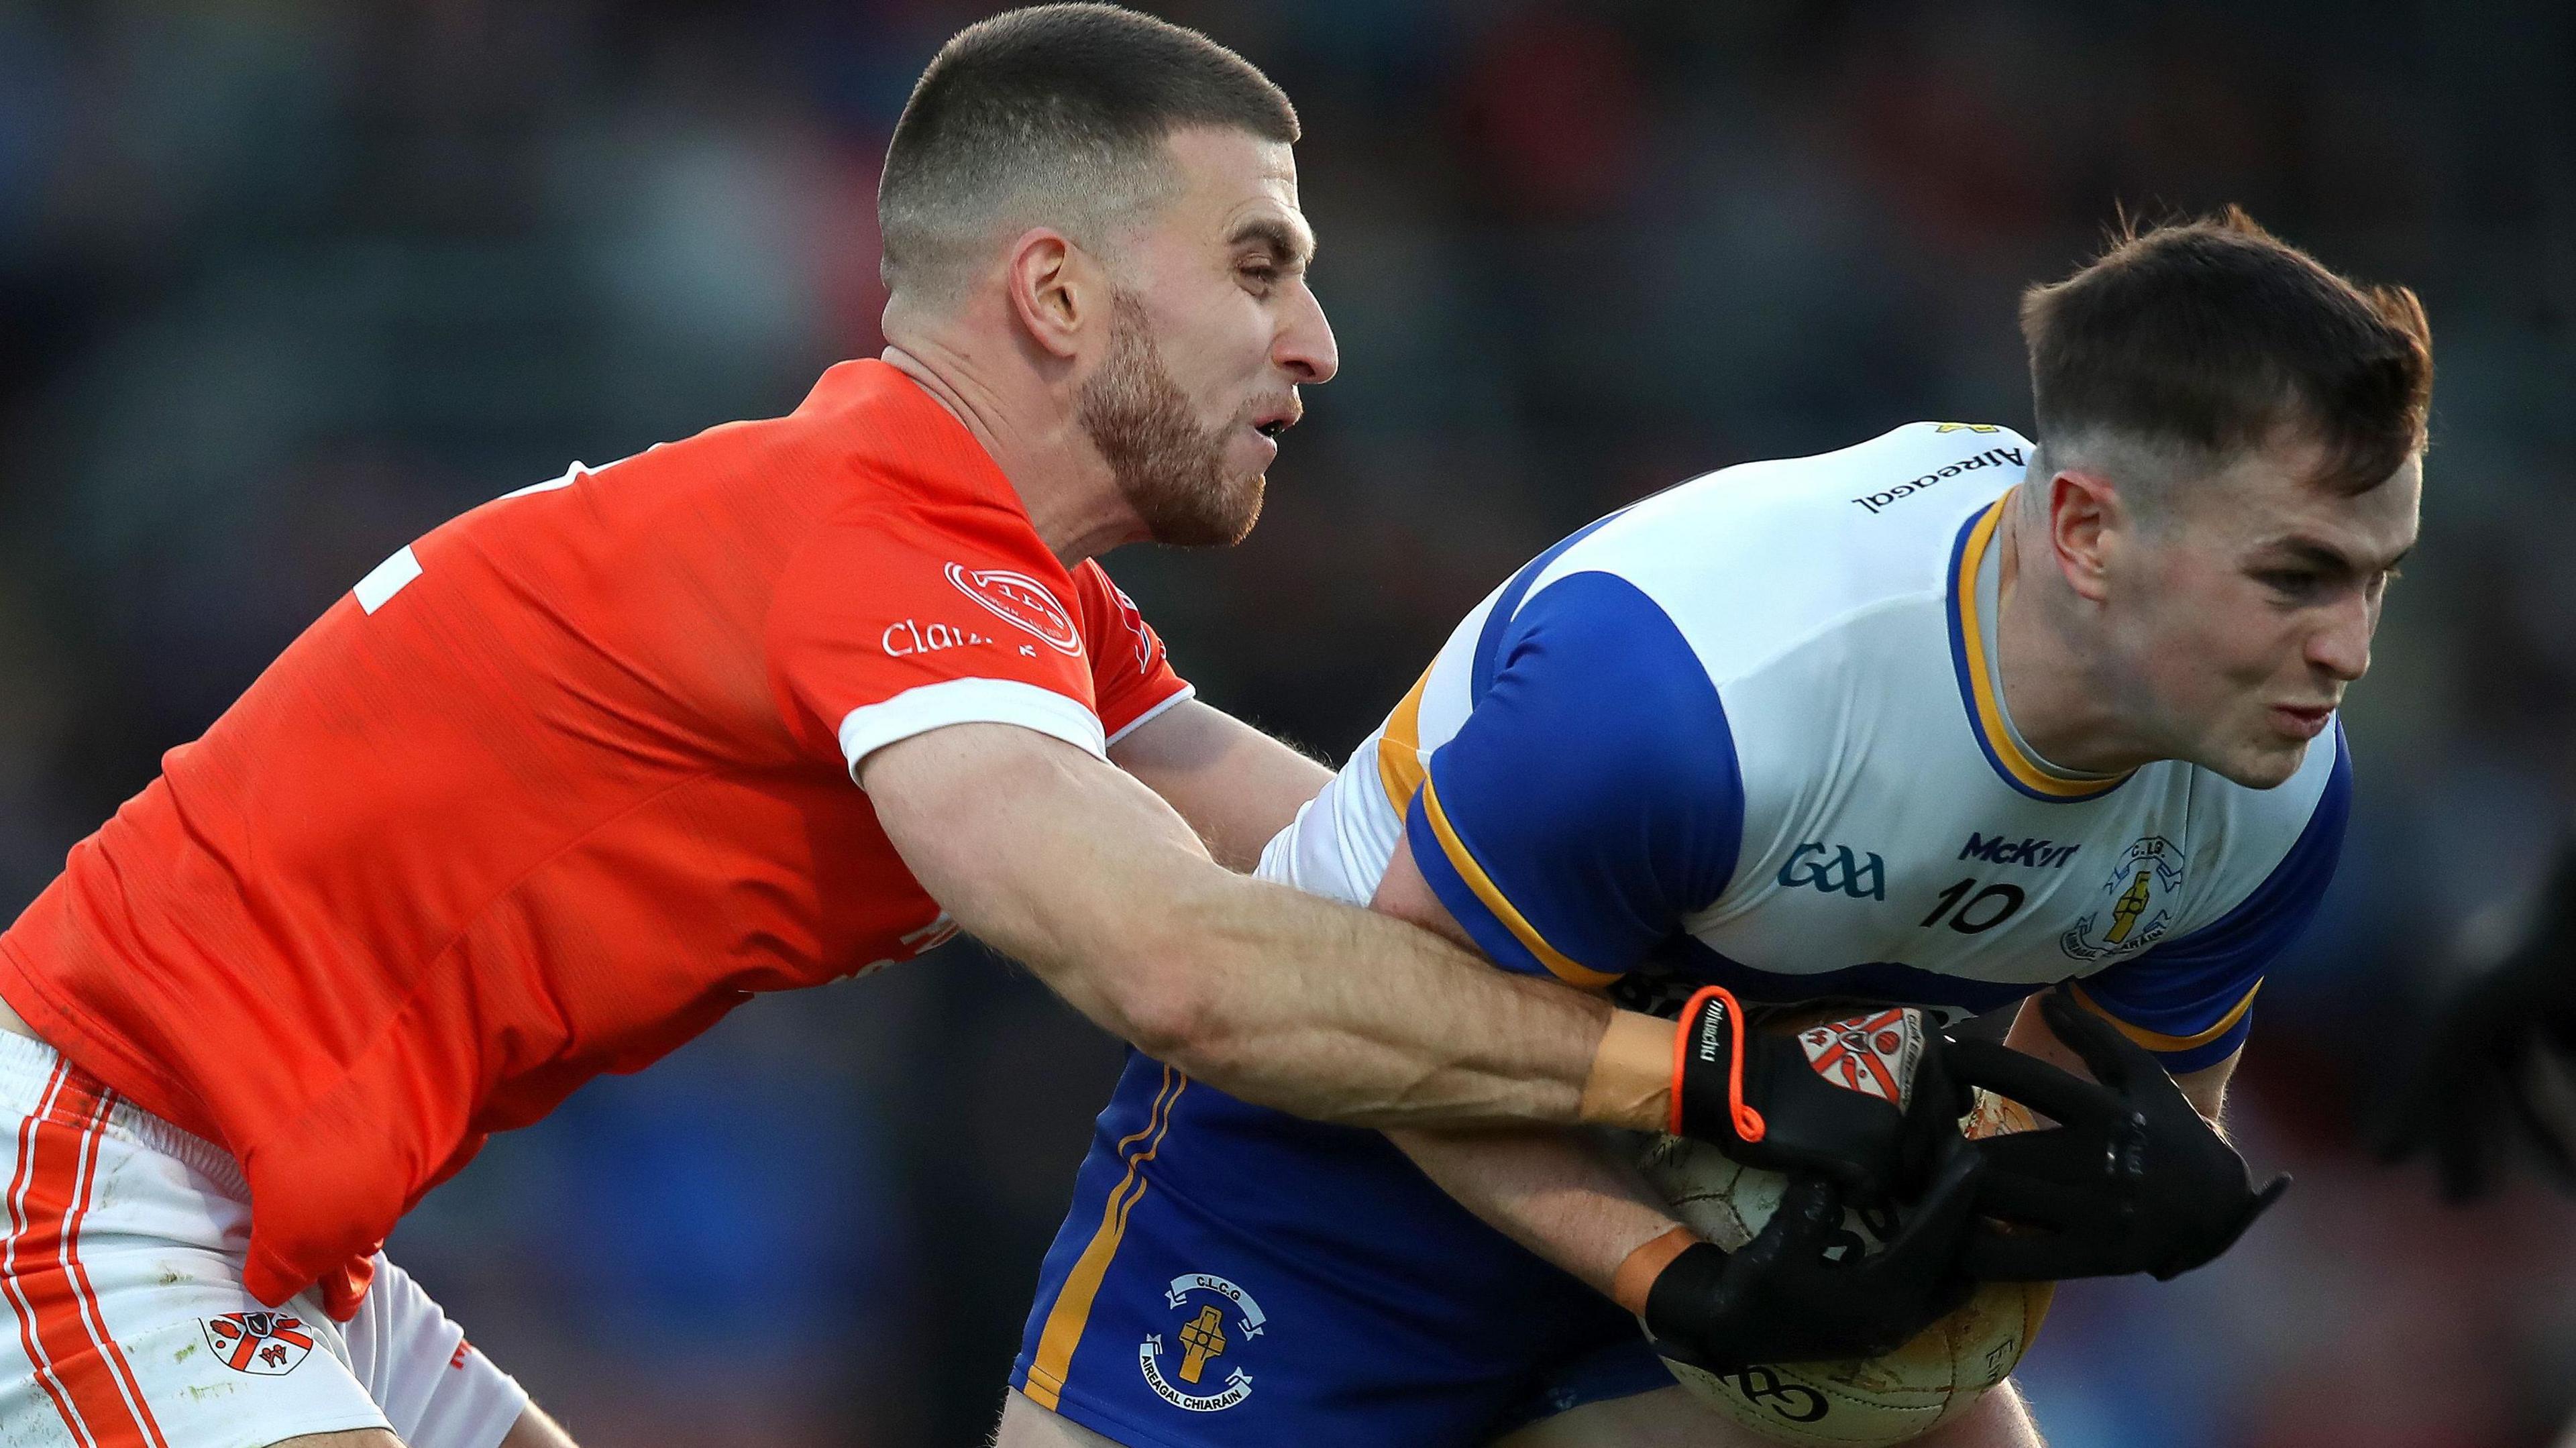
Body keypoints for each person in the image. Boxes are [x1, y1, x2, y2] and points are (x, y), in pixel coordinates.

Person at [0, 9, 1936, 1447]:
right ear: (1059, 293)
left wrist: (1883, 1054)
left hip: (247, 1211)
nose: (1320, 345)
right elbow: (1189, 971)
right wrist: (1695, 1076)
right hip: (95, 1175)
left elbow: (1383, 873)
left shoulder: (1009, 598)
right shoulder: (881, 538)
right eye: (1262, 265)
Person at [996, 209, 2431, 1448]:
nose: (2350, 650)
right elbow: (1404, 1032)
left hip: (1763, 1214)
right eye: (2299, 577)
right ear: (2087, 535)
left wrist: (2116, 1186)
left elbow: (2059, 1124)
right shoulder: (1700, 690)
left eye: (2379, 578)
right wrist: (1667, 1275)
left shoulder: (2271, 789)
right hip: (1346, 1167)